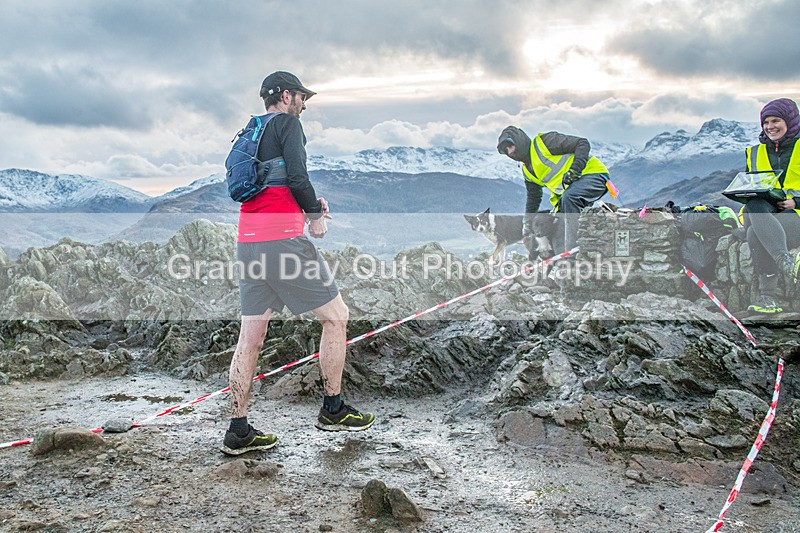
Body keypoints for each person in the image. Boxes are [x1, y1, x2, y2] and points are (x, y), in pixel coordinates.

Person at [222, 71, 375, 456]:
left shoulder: (250, 131)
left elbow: (272, 184)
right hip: (282, 242)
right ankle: (333, 408)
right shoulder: (288, 124)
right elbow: (296, 174)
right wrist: (315, 216)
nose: (304, 104)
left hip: (248, 242)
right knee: (336, 317)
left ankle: (238, 429)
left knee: (251, 337)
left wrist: (308, 204)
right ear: (287, 96)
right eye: (301, 97)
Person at [497, 126, 614, 253]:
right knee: (556, 224)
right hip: (570, 194)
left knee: (569, 198)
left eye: (510, 146)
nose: (510, 152)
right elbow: (533, 198)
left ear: (519, 141)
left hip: (594, 175)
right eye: (505, 151)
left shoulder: (544, 143)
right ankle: (561, 261)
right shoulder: (527, 171)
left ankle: (574, 250)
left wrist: (574, 170)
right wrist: (527, 222)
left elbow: (582, 143)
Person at [743, 97, 800, 314]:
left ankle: (768, 297)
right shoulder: (755, 152)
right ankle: (784, 261)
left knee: (753, 234)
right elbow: (751, 186)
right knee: (755, 203)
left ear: (791, 121)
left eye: (776, 120)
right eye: (766, 123)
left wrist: (796, 201)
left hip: (797, 217)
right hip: (768, 216)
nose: (770, 127)